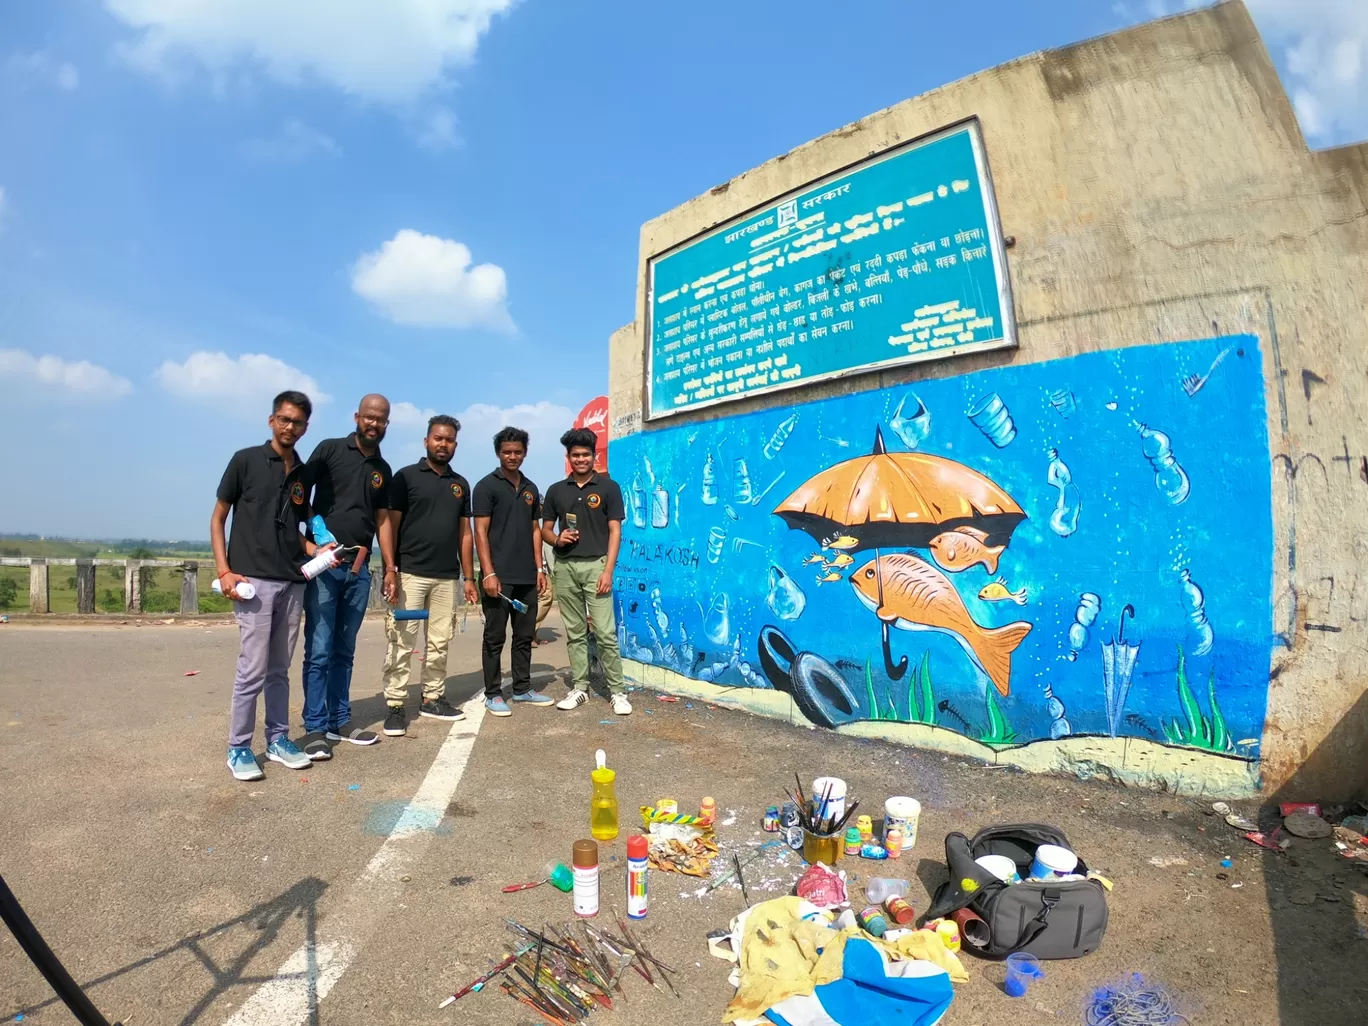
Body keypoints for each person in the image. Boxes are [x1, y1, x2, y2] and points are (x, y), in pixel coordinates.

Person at [211, 390, 327, 781]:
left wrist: (317, 548)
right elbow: (218, 518)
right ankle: (238, 748)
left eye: (297, 422)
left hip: (292, 581)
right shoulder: (245, 460)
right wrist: (225, 570)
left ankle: (278, 738)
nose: (289, 427)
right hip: (253, 580)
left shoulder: (302, 472)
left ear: (306, 427)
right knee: (253, 668)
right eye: (284, 419)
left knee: (280, 668)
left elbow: (294, 530)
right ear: (271, 420)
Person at [299, 394, 392, 757]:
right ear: (357, 416)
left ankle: (340, 719)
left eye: (380, 419)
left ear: (386, 424)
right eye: (369, 417)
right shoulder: (330, 450)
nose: (373, 423)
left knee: (345, 651)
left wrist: (390, 566)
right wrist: (317, 534)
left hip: (359, 569)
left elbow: (382, 520)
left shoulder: (381, 469)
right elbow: (298, 495)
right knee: (319, 650)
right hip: (326, 565)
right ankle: (315, 728)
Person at [377, 415, 477, 734]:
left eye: (448, 440)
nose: (443, 444)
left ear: (455, 445)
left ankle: (432, 697)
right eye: (437, 438)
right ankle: (395, 704)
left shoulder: (460, 485)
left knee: (439, 641)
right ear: (426, 441)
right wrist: (390, 569)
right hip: (410, 573)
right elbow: (389, 525)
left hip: (447, 577)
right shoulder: (405, 478)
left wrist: (469, 576)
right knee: (402, 640)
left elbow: (465, 534)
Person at [541, 428, 630, 715]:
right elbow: (544, 529)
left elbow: (615, 530)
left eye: (586, 454)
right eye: (575, 455)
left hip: (597, 566)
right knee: (576, 632)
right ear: (568, 458)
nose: (581, 459)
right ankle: (580, 687)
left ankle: (618, 692)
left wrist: (608, 570)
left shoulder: (608, 488)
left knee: (604, 632)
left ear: (594, 456)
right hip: (564, 567)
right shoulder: (556, 490)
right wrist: (557, 539)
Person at [472, 427, 550, 716]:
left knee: (523, 635)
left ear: (525, 452)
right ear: (498, 453)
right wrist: (489, 573)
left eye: (518, 451)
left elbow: (534, 530)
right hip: (498, 577)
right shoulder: (486, 486)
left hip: (527, 575)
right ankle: (493, 694)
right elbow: (479, 531)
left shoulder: (530, 488)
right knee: (494, 638)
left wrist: (539, 568)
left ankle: (521, 689)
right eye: (507, 452)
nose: (512, 456)